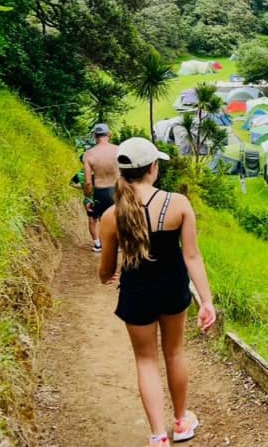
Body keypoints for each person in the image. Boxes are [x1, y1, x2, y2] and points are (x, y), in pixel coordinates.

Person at [99, 137, 216, 447]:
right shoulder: (178, 204)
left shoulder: (112, 216)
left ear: (123, 172)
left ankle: (158, 435)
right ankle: (181, 422)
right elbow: (192, 256)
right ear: (153, 168)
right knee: (174, 352)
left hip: (136, 293)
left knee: (146, 361)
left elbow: (106, 270)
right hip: (172, 288)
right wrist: (206, 301)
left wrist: (107, 276)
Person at [82, 123, 119, 252]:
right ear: (109, 134)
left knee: (94, 218)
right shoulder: (119, 150)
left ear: (95, 136)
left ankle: (98, 244)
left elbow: (88, 182)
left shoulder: (88, 154)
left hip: (100, 192)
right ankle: (117, 244)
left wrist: (88, 198)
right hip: (117, 190)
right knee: (117, 218)